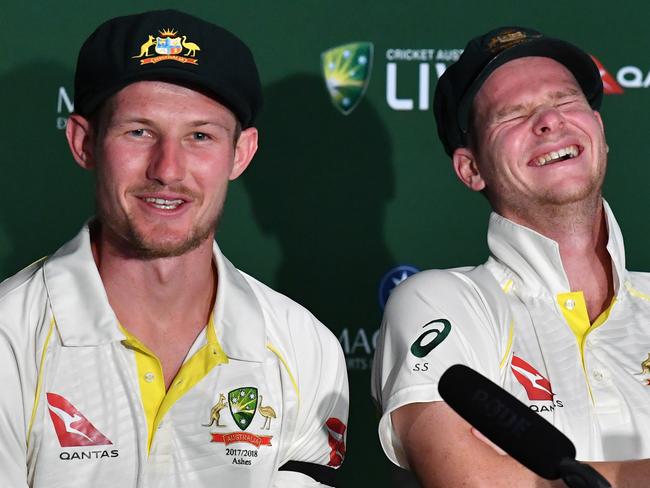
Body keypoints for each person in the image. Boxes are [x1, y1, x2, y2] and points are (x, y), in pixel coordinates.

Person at [0, 9, 348, 488]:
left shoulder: (305, 348)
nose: (167, 169)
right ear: (84, 142)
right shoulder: (8, 336)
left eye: (200, 136)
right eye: (139, 131)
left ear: (240, 153)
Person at [371, 26, 650, 487]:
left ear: (599, 132)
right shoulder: (442, 302)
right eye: (512, 114)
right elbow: (469, 482)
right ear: (472, 168)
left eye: (564, 101)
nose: (548, 121)